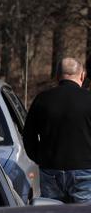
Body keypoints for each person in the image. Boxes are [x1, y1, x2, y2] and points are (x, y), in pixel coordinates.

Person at [23, 57, 91, 203]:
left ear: (57, 76)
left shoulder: (42, 99)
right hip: (85, 171)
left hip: (50, 170)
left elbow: (28, 136)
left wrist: (40, 158)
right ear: (82, 75)